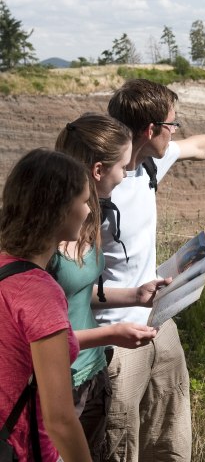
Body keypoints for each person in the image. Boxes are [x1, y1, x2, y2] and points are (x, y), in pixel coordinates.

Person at [94, 78, 205, 462]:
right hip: (116, 336)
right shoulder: (98, 188)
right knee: (119, 441)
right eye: (171, 125)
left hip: (160, 319)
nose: (176, 133)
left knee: (169, 433)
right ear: (150, 130)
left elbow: (200, 147)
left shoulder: (151, 164)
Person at [53, 113, 170, 460]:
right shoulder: (51, 229)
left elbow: (75, 292)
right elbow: (39, 334)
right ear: (99, 170)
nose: (127, 173)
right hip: (61, 379)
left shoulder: (88, 217)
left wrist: (135, 295)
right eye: (122, 166)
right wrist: (111, 334)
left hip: (91, 372)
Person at [0, 148, 92, 462]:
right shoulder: (39, 292)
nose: (89, 210)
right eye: (84, 201)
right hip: (24, 450)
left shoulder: (4, 268)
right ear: (60, 209)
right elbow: (61, 421)